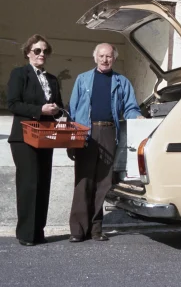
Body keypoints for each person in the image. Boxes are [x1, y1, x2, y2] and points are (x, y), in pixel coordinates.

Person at [67, 43, 143, 242]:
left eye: (109, 56)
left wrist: (137, 117)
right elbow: (73, 111)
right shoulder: (83, 79)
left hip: (109, 132)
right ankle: (77, 230)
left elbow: (130, 107)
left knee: (103, 182)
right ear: (95, 57)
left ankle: (95, 229)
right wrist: (72, 138)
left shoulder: (122, 81)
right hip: (86, 133)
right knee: (83, 181)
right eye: (101, 56)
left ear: (114, 59)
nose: (105, 59)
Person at [7, 34, 63, 246]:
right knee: (29, 184)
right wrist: (39, 110)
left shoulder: (52, 79)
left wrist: (56, 110)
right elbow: (13, 104)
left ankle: (39, 231)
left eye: (45, 51)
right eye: (37, 50)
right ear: (28, 52)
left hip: (45, 136)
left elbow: (58, 106)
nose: (41, 54)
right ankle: (25, 234)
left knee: (43, 184)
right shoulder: (19, 74)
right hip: (23, 137)